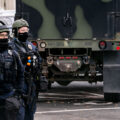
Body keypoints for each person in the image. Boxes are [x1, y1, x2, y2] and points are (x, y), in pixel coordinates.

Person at [10, 18, 48, 120]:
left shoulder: (31, 46)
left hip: (31, 83)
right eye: (22, 30)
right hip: (18, 83)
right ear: (15, 31)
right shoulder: (11, 47)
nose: (25, 32)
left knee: (30, 111)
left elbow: (38, 62)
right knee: (18, 111)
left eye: (26, 30)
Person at [0, 23, 25, 120]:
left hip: (9, 93)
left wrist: (18, 91)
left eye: (6, 35)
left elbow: (21, 73)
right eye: (2, 35)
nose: (4, 37)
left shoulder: (13, 54)